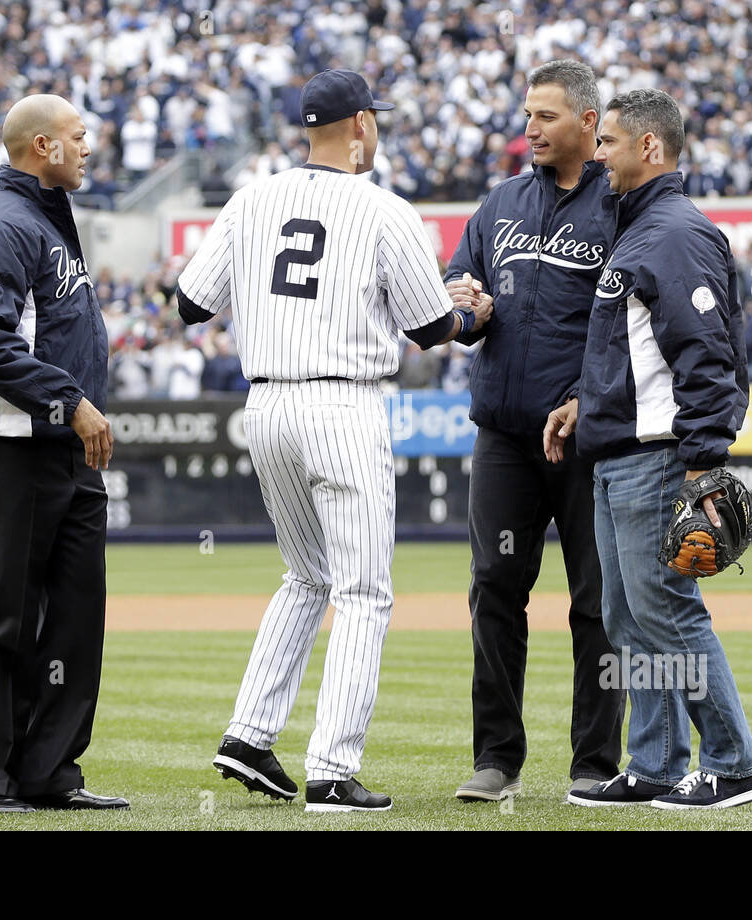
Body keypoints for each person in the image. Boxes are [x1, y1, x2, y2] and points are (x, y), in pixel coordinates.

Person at [176, 69, 492, 813]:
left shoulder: (253, 198)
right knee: (362, 591)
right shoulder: (384, 209)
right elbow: (428, 331)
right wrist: (470, 313)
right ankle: (331, 770)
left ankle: (249, 735)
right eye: (372, 120)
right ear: (359, 126)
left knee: (305, 575)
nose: (374, 130)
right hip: (341, 404)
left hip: (267, 405)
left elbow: (189, 304)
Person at [551, 88, 752, 808]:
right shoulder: (637, 229)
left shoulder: (674, 231)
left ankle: (735, 766)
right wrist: (587, 404)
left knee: (669, 611)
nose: (598, 153)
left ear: (650, 147)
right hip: (616, 455)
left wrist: (704, 461)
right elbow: (633, 353)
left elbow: (709, 352)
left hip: (657, 457)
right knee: (627, 618)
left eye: (608, 141)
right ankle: (656, 763)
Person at [0, 94, 128, 814]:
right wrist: (72, 403)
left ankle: (49, 771)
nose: (88, 148)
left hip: (66, 454)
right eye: (78, 138)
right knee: (3, 616)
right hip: (6, 448)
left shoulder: (47, 219)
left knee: (76, 618)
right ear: (42, 147)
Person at [443, 59, 625, 805]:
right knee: (494, 589)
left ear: (588, 123)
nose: (530, 128)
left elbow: (628, 328)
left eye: (546, 116)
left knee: (597, 603)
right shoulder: (501, 202)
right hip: (506, 439)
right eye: (527, 114)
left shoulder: (621, 207)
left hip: (586, 442)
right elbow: (458, 295)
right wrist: (464, 303)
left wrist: (589, 396)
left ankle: (594, 763)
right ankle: (496, 759)